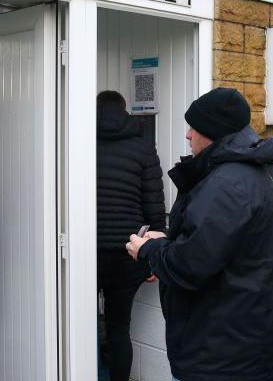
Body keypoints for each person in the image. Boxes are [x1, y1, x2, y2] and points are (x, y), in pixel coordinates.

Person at [124, 88, 273, 381]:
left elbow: (190, 265)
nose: (188, 135)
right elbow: (220, 242)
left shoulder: (227, 184)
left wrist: (149, 250)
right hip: (240, 343)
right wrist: (168, 238)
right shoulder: (247, 174)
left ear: (212, 132)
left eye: (193, 128)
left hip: (221, 355)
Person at [95, 91, 166, 381]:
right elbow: (154, 206)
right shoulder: (143, 148)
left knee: (80, 323)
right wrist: (155, 256)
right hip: (130, 251)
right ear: (124, 111)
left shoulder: (78, 140)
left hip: (88, 252)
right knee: (119, 327)